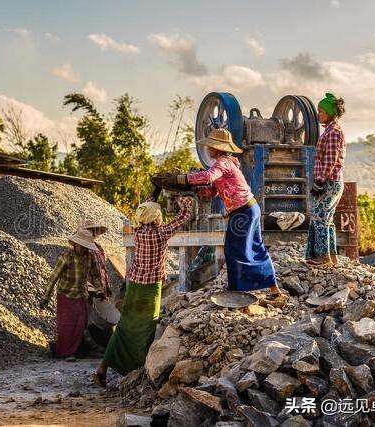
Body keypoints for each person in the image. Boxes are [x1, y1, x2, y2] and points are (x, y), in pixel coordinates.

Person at [93, 196, 194, 386]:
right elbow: (181, 219)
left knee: (124, 328)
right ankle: (138, 370)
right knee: (145, 329)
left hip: (135, 287)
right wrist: (184, 205)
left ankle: (102, 368)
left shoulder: (138, 232)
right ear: (156, 218)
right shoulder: (160, 233)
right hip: (150, 290)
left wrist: (150, 200)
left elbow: (145, 214)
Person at [172, 128, 282, 298]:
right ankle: (273, 289)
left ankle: (238, 292)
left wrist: (183, 179)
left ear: (219, 148)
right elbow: (212, 190)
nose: (208, 150)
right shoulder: (229, 163)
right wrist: (192, 188)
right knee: (255, 247)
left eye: (211, 146)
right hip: (250, 208)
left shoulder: (222, 163)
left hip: (242, 212)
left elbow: (208, 177)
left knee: (234, 250)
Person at [41, 228, 102, 359]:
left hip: (80, 294)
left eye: (86, 247)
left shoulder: (89, 258)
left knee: (81, 322)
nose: (84, 249)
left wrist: (99, 290)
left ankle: (76, 349)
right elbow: (53, 278)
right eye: (82, 246)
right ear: (75, 244)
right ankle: (66, 352)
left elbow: (96, 276)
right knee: (67, 324)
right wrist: (46, 296)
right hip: (65, 294)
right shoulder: (66, 258)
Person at [306, 93, 346, 266]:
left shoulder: (334, 132)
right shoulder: (331, 131)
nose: (318, 114)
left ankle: (323, 256)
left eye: (321, 111)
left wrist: (319, 181)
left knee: (320, 217)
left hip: (329, 182)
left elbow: (330, 160)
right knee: (327, 219)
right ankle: (331, 256)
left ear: (330, 113)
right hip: (332, 181)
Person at [81, 219, 111, 299]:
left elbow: (103, 268)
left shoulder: (99, 248)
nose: (94, 233)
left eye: (95, 230)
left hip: (101, 289)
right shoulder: (81, 248)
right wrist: (91, 289)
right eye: (91, 230)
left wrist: (107, 287)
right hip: (88, 290)